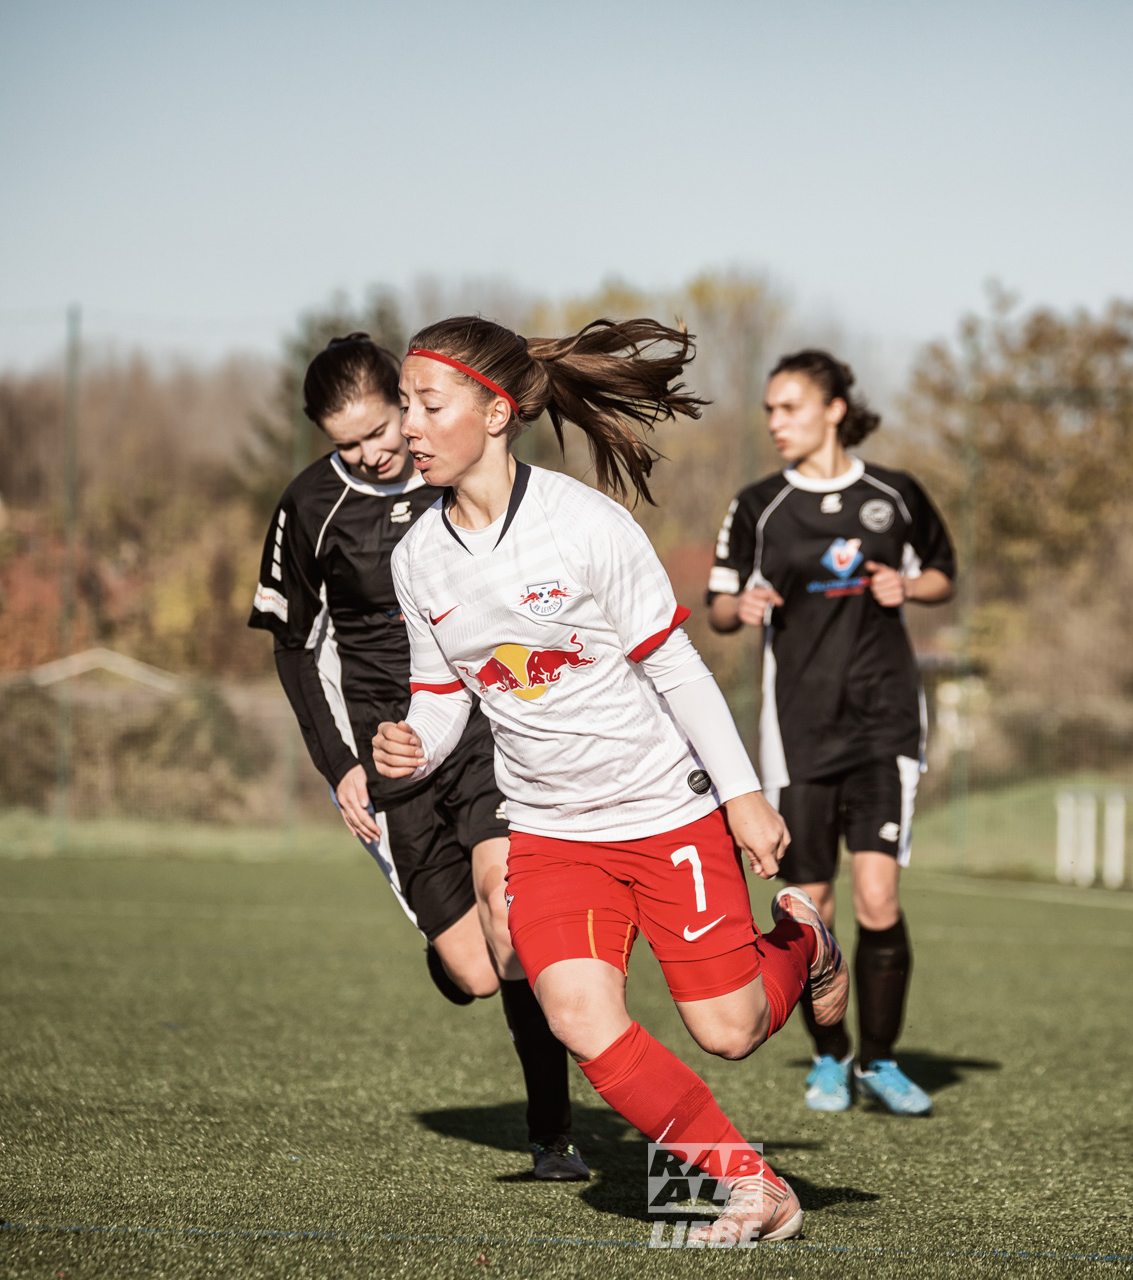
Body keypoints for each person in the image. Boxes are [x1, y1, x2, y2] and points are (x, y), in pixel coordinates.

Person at [372, 316, 847, 1245]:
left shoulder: (586, 526)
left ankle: (803, 944)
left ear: (496, 412)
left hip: (665, 813)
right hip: (549, 831)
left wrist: (742, 792)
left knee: (731, 1030)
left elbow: (675, 667)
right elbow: (442, 696)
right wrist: (414, 748)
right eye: (405, 407)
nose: (409, 427)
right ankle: (751, 1186)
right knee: (578, 1017)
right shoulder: (415, 556)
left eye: (427, 405)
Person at [248, 334, 586, 1180]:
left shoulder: (456, 477)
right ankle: (447, 952)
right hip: (390, 752)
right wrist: (343, 765)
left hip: (476, 730)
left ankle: (553, 1137)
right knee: (474, 970)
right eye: (348, 442)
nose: (374, 450)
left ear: (406, 401)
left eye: (381, 425)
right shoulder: (310, 506)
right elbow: (294, 650)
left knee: (513, 924)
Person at [706, 350, 955, 1117]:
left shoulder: (894, 494)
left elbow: (943, 575)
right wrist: (739, 609)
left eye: (789, 407)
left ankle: (880, 1062)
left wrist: (906, 586)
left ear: (833, 409)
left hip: (884, 723)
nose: (776, 423)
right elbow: (716, 605)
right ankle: (830, 1059)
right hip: (797, 730)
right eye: (771, 411)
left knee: (877, 898)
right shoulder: (758, 507)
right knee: (809, 905)